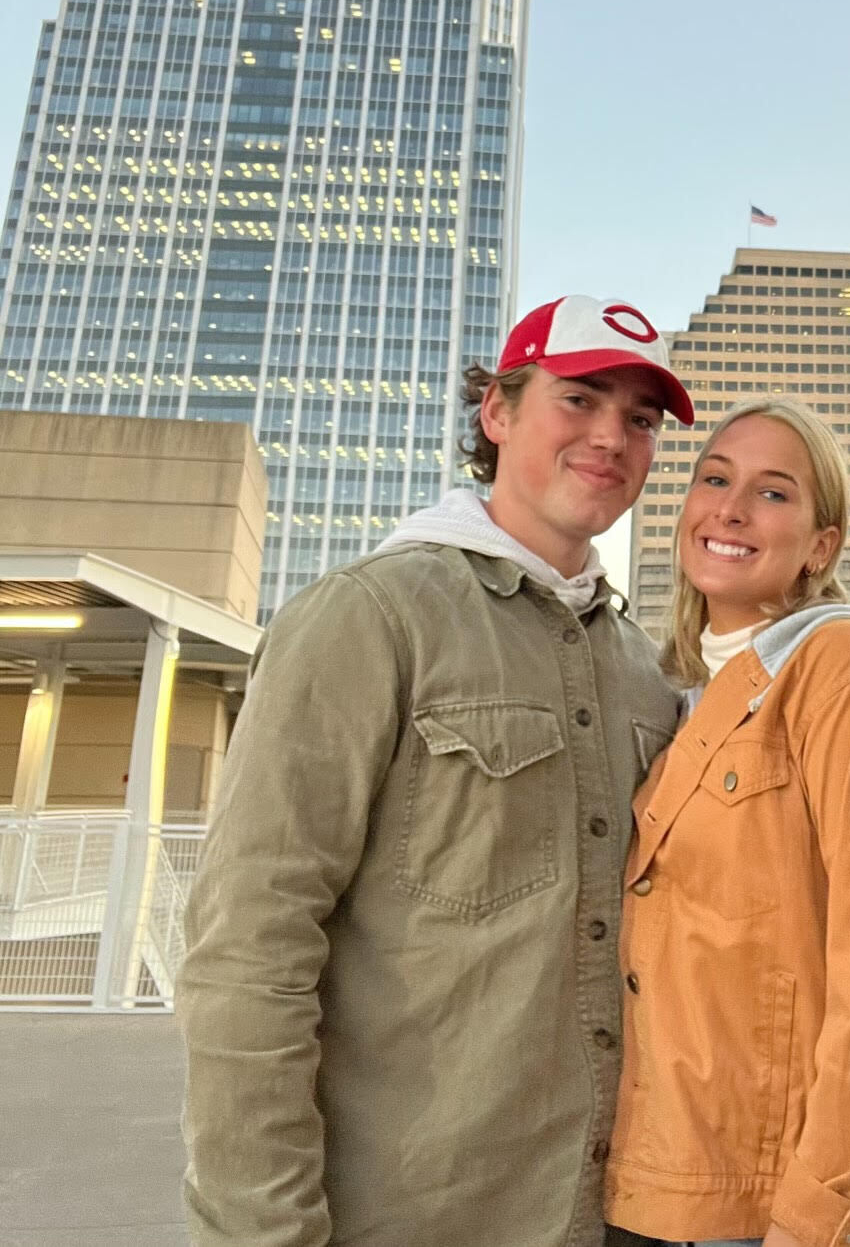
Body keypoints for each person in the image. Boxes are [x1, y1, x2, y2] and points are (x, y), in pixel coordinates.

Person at [177, 295, 694, 1247]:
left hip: (627, 1212)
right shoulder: (368, 618)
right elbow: (249, 945)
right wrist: (262, 1230)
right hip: (418, 1216)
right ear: (497, 413)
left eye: (640, 419)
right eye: (578, 400)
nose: (611, 438)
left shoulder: (643, 671)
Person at [604, 397, 850, 1247]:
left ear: (821, 546)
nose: (729, 508)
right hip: (676, 1179)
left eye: (773, 494)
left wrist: (825, 1207)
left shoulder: (840, 666)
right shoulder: (687, 701)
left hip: (787, 1195)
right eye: (715, 478)